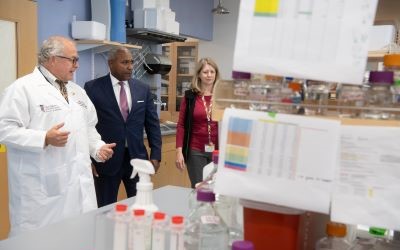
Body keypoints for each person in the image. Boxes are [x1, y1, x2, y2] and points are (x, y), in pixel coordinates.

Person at [0, 36, 116, 236]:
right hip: (41, 190)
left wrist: (97, 148)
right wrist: (44, 138)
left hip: (79, 186)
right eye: (73, 59)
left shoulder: (77, 92)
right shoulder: (22, 89)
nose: (77, 65)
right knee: (40, 241)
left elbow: (88, 128)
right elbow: (4, 129)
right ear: (52, 59)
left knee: (78, 238)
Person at [84, 46, 162, 207]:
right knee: (105, 207)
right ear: (111, 63)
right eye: (124, 62)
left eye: (131, 62)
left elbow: (152, 124)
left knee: (141, 205)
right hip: (106, 160)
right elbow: (86, 126)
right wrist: (88, 159)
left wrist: (156, 154)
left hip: (137, 159)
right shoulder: (92, 88)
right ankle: (105, 233)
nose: (130, 67)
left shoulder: (142, 89)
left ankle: (137, 233)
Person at [175, 57, 220, 188]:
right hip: (195, 150)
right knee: (199, 189)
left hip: (218, 151)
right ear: (199, 74)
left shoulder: (221, 96)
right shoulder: (190, 96)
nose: (209, 75)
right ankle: (198, 209)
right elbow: (181, 125)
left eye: (212, 71)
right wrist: (179, 151)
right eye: (205, 72)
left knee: (216, 188)